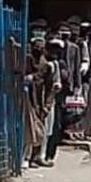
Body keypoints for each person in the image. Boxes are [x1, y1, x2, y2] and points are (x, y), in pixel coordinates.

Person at [24, 36, 58, 168]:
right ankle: (26, 157)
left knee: (40, 129)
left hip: (40, 102)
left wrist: (47, 105)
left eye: (41, 47)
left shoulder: (46, 66)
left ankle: (36, 156)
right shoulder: (26, 61)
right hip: (27, 100)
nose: (38, 50)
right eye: (36, 47)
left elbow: (50, 87)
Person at [43, 37, 68, 164]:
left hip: (57, 100)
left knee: (54, 128)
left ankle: (49, 154)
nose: (55, 52)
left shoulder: (60, 64)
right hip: (44, 99)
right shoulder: (44, 62)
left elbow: (64, 79)